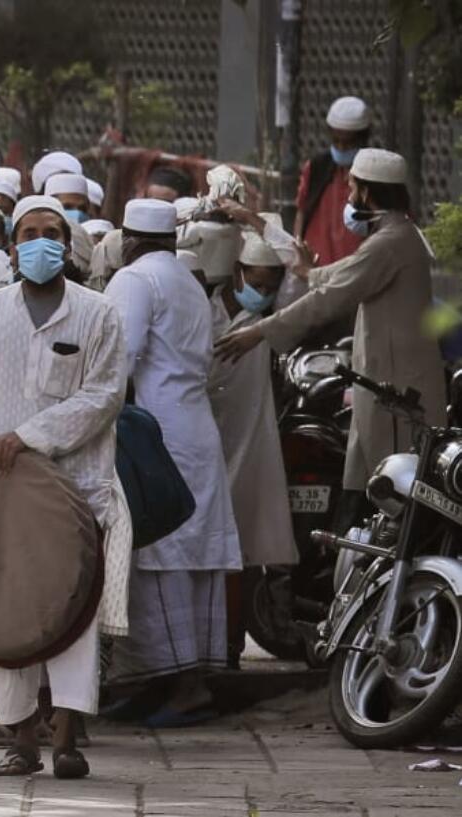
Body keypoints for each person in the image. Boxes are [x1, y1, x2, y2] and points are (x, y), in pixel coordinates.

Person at [0, 194, 130, 778]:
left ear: (66, 245)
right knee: (8, 611)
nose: (40, 241)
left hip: (78, 490)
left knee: (73, 614)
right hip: (2, 493)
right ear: (13, 245)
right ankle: (20, 739)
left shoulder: (98, 314)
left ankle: (67, 738)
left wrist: (27, 435)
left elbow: (103, 396)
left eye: (52, 231)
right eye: (29, 232)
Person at [216, 148, 446, 515]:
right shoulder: (396, 236)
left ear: (368, 193)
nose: (349, 196)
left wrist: (258, 332)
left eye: (353, 187)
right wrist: (253, 220)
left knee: (391, 495)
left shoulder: (389, 243)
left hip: (396, 393)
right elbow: (324, 272)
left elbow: (328, 297)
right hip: (385, 385)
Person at [103, 199, 241, 727]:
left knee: (160, 550)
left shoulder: (135, 280)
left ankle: (183, 687)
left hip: (154, 430)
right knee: (192, 552)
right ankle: (171, 682)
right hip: (195, 426)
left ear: (130, 238)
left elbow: (118, 357)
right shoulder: (187, 279)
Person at [206, 227, 299, 667]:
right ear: (235, 273)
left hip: (251, 441)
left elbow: (298, 262)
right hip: (203, 442)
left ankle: (231, 649)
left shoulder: (271, 320)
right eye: (255, 283)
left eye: (269, 286)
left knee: (244, 549)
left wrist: (252, 219)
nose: (262, 293)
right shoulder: (201, 307)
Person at [294, 96, 371, 267]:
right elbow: (302, 210)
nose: (341, 149)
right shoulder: (317, 167)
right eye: (336, 142)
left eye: (348, 143)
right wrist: (298, 250)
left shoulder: (375, 173)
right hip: (316, 266)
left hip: (356, 269)